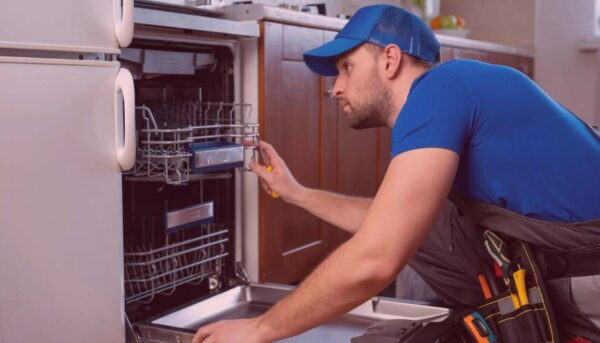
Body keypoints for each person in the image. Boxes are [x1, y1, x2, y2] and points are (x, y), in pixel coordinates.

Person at [193, 4, 600, 342]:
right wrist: (295, 191)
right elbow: (389, 225)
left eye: (347, 68)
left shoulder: (438, 92)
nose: (335, 88)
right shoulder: (458, 86)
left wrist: (260, 329)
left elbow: (376, 259)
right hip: (566, 253)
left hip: (588, 277)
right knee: (434, 223)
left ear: (390, 59)